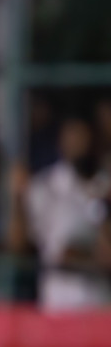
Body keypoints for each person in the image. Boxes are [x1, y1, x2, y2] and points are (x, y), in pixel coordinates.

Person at [23, 117, 111, 310]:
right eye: (72, 137)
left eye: (84, 138)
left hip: (100, 303)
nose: (79, 144)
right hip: (59, 302)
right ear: (61, 141)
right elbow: (59, 253)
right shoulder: (44, 186)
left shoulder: (104, 185)